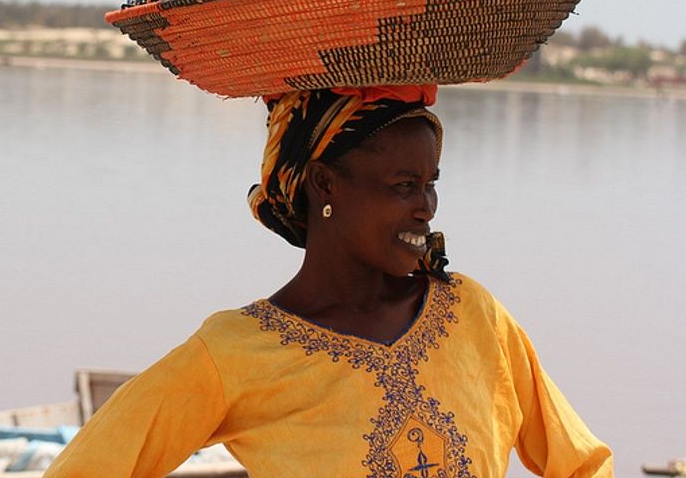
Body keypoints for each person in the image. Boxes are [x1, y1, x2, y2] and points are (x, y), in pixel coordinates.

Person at [44, 86, 613, 477]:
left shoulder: (474, 316)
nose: (427, 207)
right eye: (402, 185)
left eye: (431, 183)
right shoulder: (236, 354)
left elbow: (582, 463)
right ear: (324, 185)